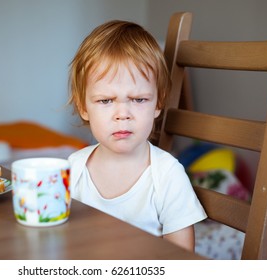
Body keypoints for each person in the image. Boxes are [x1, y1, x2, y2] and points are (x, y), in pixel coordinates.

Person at [67, 20, 207, 251]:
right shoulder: (74, 168)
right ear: (83, 107)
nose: (123, 114)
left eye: (139, 99)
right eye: (105, 101)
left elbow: (181, 259)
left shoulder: (167, 175)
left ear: (158, 103)